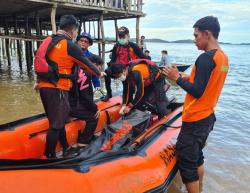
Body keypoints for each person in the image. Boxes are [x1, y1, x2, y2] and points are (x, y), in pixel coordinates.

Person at [162, 16, 229, 193]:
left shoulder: (205, 58)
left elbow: (197, 91)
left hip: (196, 119)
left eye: (196, 35)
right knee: (197, 157)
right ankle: (200, 189)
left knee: (187, 165)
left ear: (207, 34)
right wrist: (181, 76)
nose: (194, 40)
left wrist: (176, 78)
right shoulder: (222, 58)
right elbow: (206, 84)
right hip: (207, 117)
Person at [35, 15, 104, 158]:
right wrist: (99, 73)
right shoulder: (70, 45)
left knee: (56, 121)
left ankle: (65, 147)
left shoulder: (48, 40)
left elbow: (41, 59)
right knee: (56, 125)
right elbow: (88, 65)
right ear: (73, 30)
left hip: (43, 86)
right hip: (58, 88)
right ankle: (49, 155)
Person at [102, 26, 146, 102]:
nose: (121, 38)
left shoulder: (133, 46)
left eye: (123, 36)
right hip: (118, 69)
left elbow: (144, 58)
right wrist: (111, 69)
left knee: (128, 90)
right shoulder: (116, 46)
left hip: (129, 71)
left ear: (128, 36)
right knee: (106, 73)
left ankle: (129, 102)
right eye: (120, 36)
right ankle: (109, 94)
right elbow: (113, 60)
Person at [69, 54, 103, 148]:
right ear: (94, 64)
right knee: (93, 117)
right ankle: (83, 142)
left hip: (64, 102)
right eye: (98, 67)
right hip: (70, 106)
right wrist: (95, 108)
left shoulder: (77, 68)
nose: (98, 70)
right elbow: (86, 97)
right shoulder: (85, 74)